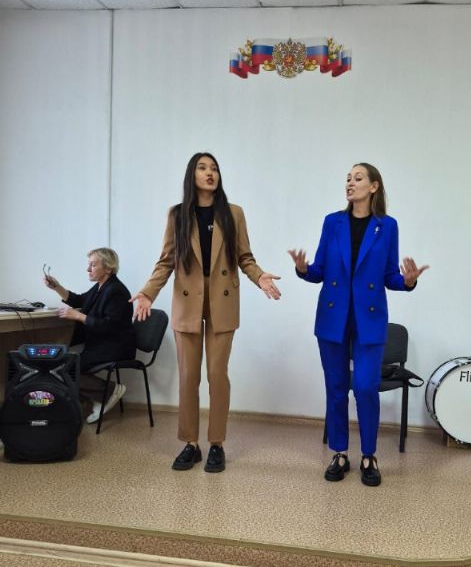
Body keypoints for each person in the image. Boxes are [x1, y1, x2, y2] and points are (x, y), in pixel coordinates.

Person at [130, 152, 281, 473]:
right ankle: (190, 443)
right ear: (192, 175)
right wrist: (147, 292)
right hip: (188, 301)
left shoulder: (233, 213)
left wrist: (260, 277)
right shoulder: (177, 215)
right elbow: (166, 261)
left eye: (214, 168)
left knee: (217, 375)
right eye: (202, 168)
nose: (210, 173)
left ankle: (216, 443)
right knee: (188, 376)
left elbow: (245, 257)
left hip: (222, 299)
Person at [289, 163, 428, 487]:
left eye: (358, 178)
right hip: (333, 317)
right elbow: (320, 270)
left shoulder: (387, 226)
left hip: (369, 318)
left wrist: (408, 281)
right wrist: (303, 269)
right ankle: (339, 453)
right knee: (336, 388)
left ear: (374, 186)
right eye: (348, 178)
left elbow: (390, 275)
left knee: (365, 387)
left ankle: (369, 455)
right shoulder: (332, 222)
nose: (350, 183)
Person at [44, 248, 136, 424]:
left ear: (108, 268)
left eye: (93, 265)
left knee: (64, 367)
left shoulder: (116, 290)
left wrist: (78, 316)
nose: (88, 269)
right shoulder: (101, 286)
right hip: (102, 344)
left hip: (115, 347)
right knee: (61, 364)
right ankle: (99, 396)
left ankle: (108, 391)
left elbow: (109, 325)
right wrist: (57, 287)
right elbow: (79, 300)